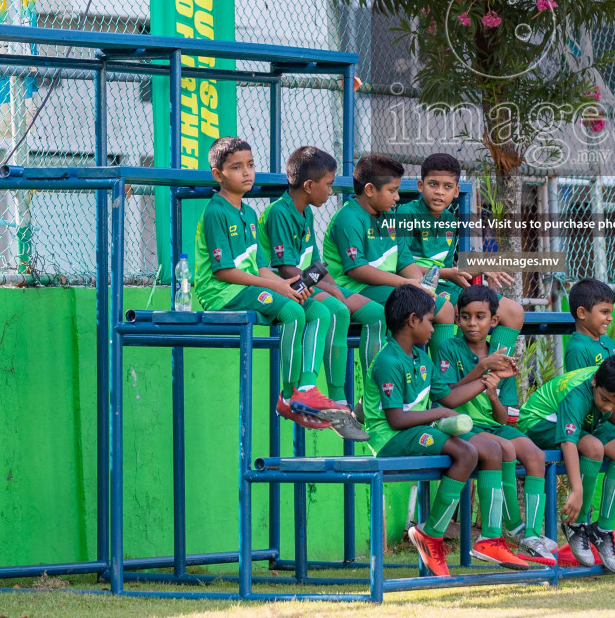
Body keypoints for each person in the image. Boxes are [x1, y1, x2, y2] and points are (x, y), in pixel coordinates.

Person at [192, 136, 358, 435]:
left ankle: (307, 388)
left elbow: (258, 267)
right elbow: (225, 272)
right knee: (293, 312)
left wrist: (286, 283)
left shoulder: (249, 214)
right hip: (222, 294)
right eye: (236, 167)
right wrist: (279, 288)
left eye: (251, 165)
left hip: (248, 287)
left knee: (319, 311)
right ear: (218, 175)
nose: (247, 173)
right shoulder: (217, 211)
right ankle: (289, 395)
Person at [365, 284, 529, 575]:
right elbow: (395, 420)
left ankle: (489, 539)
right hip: (391, 438)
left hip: (415, 432)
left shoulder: (421, 358)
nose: (434, 327)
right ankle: (432, 533)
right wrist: (441, 412)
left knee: (490, 449)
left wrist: (488, 377)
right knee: (467, 453)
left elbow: (450, 396)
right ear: (413, 320)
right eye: (430, 320)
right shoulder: (389, 360)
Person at [432, 284, 559, 563]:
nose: (472, 323)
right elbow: (446, 397)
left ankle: (531, 535)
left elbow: (503, 418)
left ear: (494, 321)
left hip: (490, 424)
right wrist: (481, 370)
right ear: (457, 318)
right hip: (462, 424)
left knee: (535, 454)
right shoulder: (448, 348)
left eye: (480, 317)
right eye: (466, 316)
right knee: (505, 449)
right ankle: (511, 527)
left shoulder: (502, 358)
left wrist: (492, 393)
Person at [257, 145, 366, 440]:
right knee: (328, 310)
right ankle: (306, 389)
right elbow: (285, 269)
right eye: (328, 184)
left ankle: (338, 402)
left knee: (344, 309)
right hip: (281, 287)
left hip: (305, 283)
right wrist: (329, 288)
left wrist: (334, 287)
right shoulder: (280, 212)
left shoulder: (306, 213)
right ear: (308, 186)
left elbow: (317, 266)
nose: (331, 191)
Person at [322, 153, 454, 369]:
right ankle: (379, 386)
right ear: (370, 190)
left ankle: (443, 382)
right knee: (416, 312)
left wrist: (421, 287)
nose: (397, 197)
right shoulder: (348, 217)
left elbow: (404, 260)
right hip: (357, 289)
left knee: (444, 308)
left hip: (389, 288)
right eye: (392, 191)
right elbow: (356, 270)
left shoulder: (391, 218)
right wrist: (406, 285)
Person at [389, 152, 525, 359]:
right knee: (453, 311)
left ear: (456, 191)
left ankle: (494, 377)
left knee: (513, 311)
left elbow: (449, 268)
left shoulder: (450, 220)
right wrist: (451, 273)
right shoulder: (406, 214)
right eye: (433, 184)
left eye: (447, 187)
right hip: (415, 287)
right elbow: (400, 266)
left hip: (445, 286)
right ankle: (446, 382)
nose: (439, 192)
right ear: (420, 185)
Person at [519, 356, 615, 573]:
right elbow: (568, 442)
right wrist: (577, 490)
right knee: (594, 448)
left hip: (582, 419)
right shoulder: (576, 396)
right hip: (539, 423)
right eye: (605, 399)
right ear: (594, 381)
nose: (609, 407)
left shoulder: (607, 384)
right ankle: (576, 525)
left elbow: (610, 408)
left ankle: (602, 530)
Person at [564, 278, 615, 369]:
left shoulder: (608, 341)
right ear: (582, 313)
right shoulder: (578, 349)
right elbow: (580, 383)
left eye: (611, 313)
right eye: (604, 312)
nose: (610, 318)